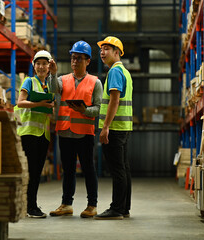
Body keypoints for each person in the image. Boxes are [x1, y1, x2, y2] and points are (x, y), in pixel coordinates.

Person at [48, 41, 103, 218]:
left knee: (88, 169)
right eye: (73, 58)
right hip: (65, 131)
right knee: (68, 170)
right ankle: (66, 204)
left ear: (87, 61)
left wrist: (84, 110)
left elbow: (98, 109)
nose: (75, 61)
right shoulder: (63, 79)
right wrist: (53, 72)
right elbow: (52, 89)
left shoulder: (95, 82)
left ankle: (92, 205)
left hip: (84, 133)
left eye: (79, 58)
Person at [94, 36, 133, 220]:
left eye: (107, 49)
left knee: (117, 169)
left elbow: (114, 100)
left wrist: (105, 127)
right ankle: (124, 207)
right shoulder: (124, 71)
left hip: (114, 129)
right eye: (101, 49)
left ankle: (116, 208)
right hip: (123, 127)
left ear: (117, 53)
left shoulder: (115, 72)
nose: (102, 52)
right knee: (123, 168)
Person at [14, 50, 56, 218]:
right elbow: (20, 102)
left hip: (42, 135)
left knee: (37, 172)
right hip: (29, 133)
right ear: (34, 66)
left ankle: (31, 205)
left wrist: (48, 106)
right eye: (38, 64)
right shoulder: (29, 81)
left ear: (49, 66)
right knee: (30, 171)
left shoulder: (48, 85)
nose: (41, 67)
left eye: (44, 64)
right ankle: (29, 206)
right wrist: (39, 103)